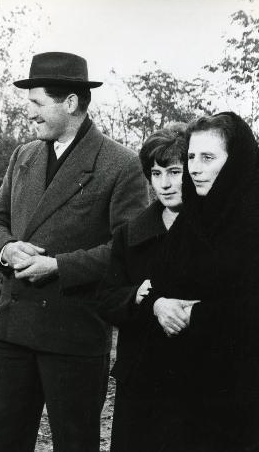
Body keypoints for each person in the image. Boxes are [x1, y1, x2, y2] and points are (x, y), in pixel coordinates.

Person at [0, 51, 148, 451]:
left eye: (38, 104)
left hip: (73, 336)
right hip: (12, 331)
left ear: (70, 103)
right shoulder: (24, 155)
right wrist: (7, 250)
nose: (30, 114)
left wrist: (57, 266)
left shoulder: (121, 164)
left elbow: (128, 253)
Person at [133, 112, 259, 452]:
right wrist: (160, 304)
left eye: (208, 157)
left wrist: (196, 316)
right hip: (180, 391)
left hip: (239, 395)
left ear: (236, 162)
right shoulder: (191, 221)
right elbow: (155, 284)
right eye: (191, 157)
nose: (195, 168)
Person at [96, 124, 188, 451]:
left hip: (196, 378)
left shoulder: (218, 232)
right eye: (156, 172)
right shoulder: (130, 233)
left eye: (174, 171)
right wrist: (143, 301)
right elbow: (106, 298)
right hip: (141, 376)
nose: (164, 183)